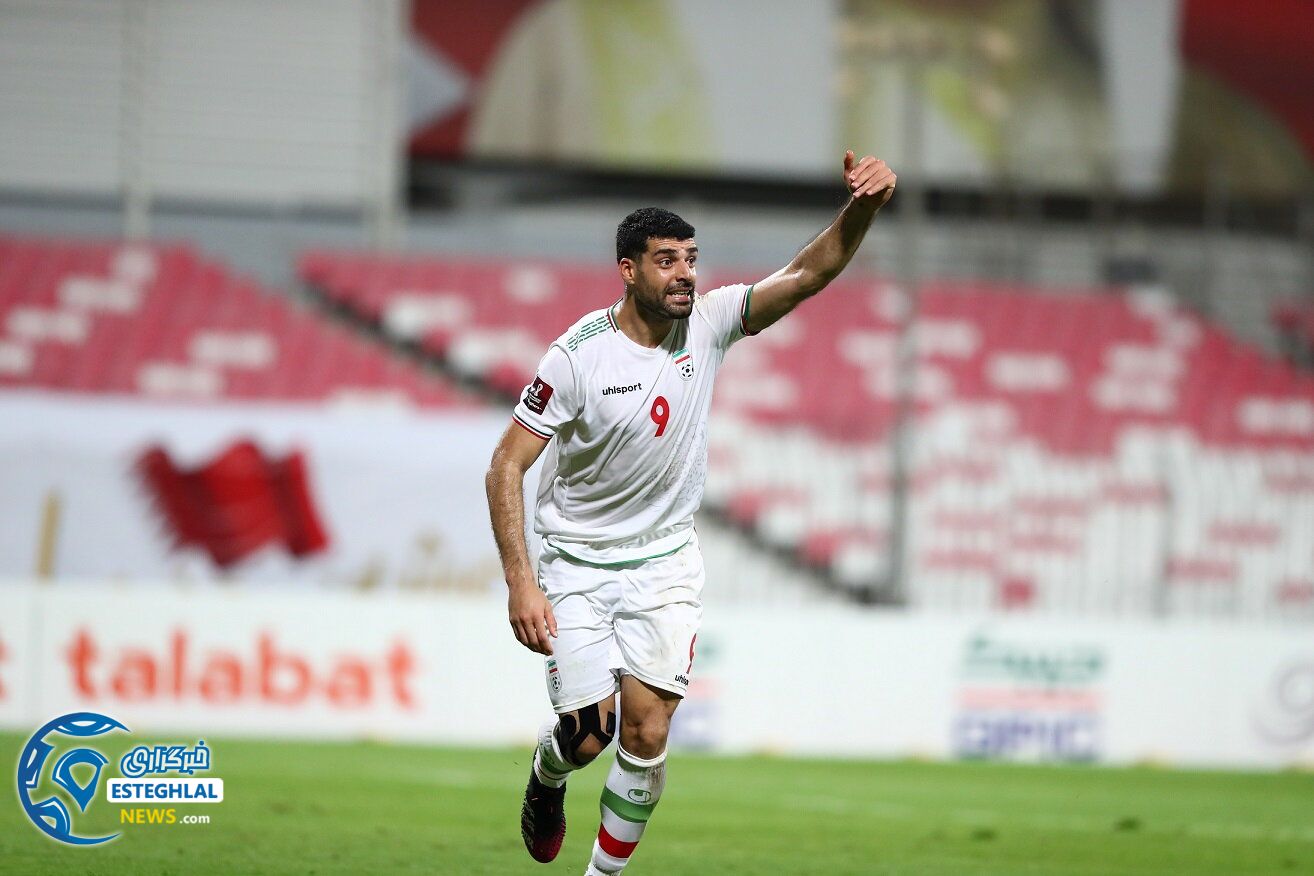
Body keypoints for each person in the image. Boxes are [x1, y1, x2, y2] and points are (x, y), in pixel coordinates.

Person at [484, 150, 896, 875]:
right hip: (576, 564)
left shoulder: (710, 323)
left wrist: (863, 206)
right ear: (628, 269)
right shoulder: (577, 357)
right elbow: (505, 466)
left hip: (664, 565)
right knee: (587, 739)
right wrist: (522, 581)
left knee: (645, 732)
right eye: (666, 260)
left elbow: (810, 273)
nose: (685, 274)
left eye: (692, 259)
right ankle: (547, 781)